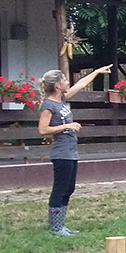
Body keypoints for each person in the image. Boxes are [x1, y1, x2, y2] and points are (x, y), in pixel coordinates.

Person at [37, 65, 113, 236]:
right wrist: (67, 126)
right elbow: (42, 129)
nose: (67, 81)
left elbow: (80, 84)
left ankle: (61, 225)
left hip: (71, 152)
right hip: (61, 153)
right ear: (57, 85)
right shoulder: (49, 105)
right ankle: (55, 227)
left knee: (69, 188)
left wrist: (96, 72)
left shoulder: (62, 99)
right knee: (60, 189)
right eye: (64, 79)